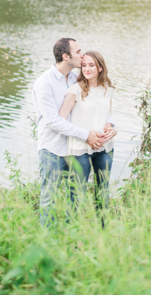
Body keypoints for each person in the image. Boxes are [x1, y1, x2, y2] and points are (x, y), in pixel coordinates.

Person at [32, 38, 115, 226]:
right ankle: (48, 243)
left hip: (75, 149)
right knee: (49, 200)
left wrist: (111, 127)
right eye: (78, 52)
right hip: (53, 149)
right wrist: (86, 135)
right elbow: (53, 121)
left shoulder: (74, 78)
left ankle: (72, 239)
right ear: (65, 56)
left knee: (76, 197)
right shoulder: (45, 83)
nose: (82, 55)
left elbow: (98, 109)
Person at [58, 50, 118, 215]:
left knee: (103, 192)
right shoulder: (75, 90)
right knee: (77, 194)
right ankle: (73, 236)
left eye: (91, 65)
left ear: (100, 67)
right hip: (80, 148)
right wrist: (85, 136)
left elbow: (108, 115)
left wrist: (112, 128)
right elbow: (61, 119)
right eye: (84, 65)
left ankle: (102, 234)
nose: (87, 69)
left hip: (104, 148)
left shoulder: (108, 89)